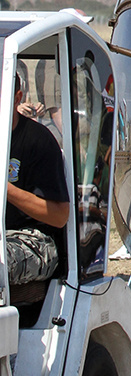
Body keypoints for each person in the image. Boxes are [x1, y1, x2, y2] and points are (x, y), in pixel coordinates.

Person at [7, 77, 69, 286]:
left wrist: (5, 189)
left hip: (36, 241)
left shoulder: (37, 140)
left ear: (17, 98)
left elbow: (59, 216)